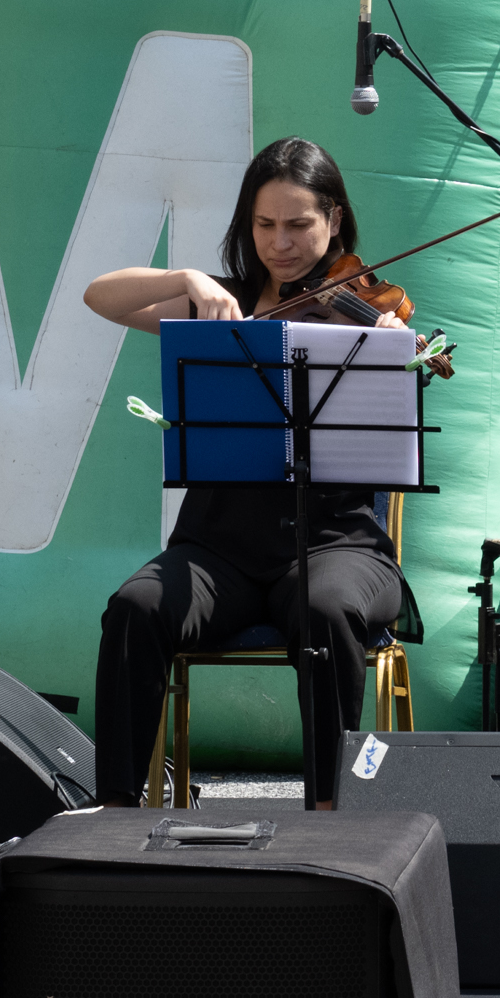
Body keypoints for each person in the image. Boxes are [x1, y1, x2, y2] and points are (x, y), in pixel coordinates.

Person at [82, 137, 409, 805]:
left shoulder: (365, 314)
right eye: (265, 225)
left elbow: (404, 376)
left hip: (337, 544)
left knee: (325, 606)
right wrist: (187, 281)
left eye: (298, 225)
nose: (279, 243)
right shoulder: (218, 308)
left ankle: (331, 809)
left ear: (335, 221)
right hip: (218, 551)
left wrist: (389, 356)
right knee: (135, 607)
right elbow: (100, 297)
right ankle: (112, 811)